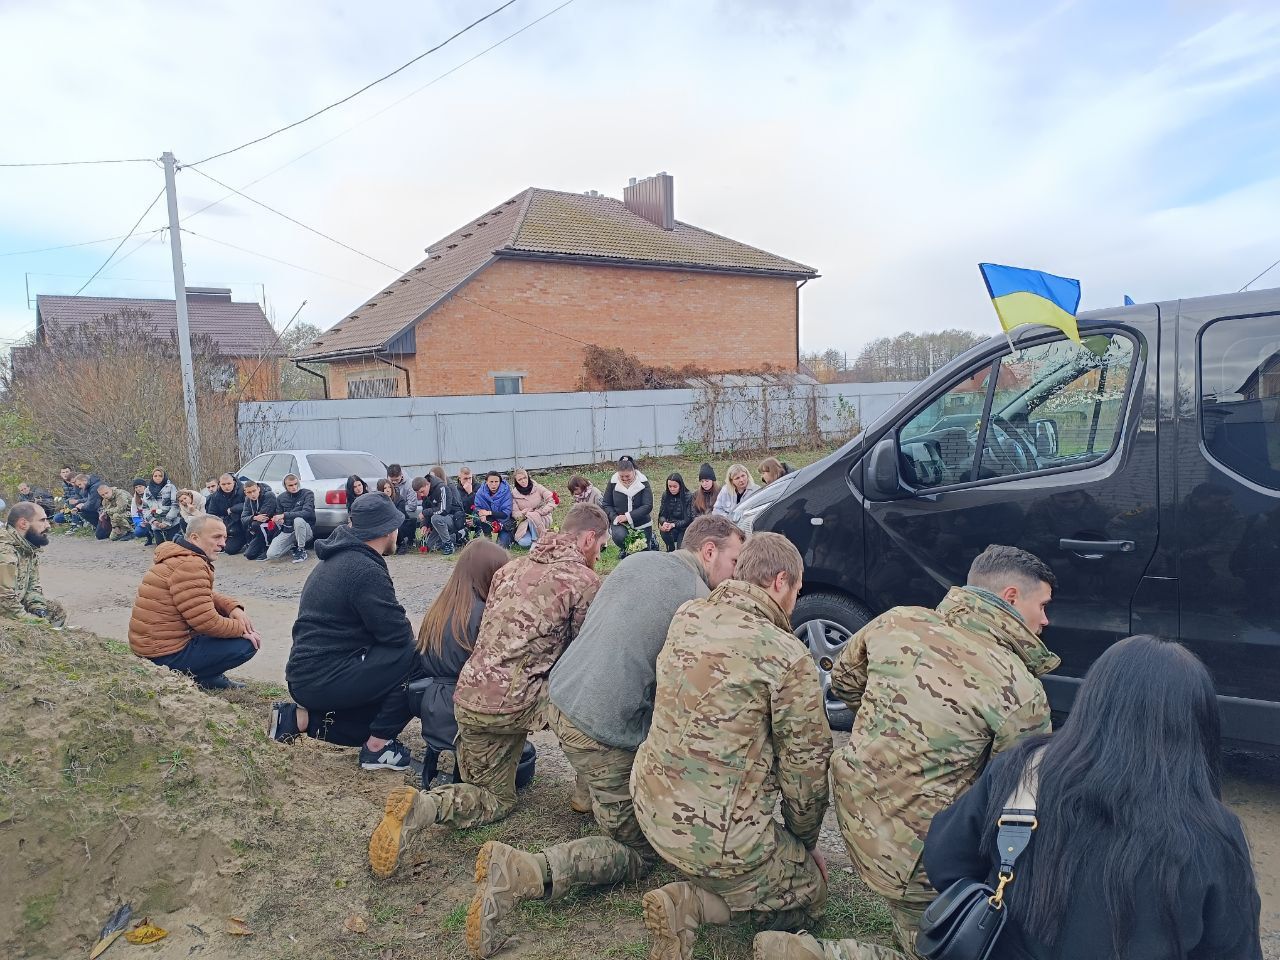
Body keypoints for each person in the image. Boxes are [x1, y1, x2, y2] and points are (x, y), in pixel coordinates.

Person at [760, 545, 1061, 960]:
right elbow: (1009, 804)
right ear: (1011, 597)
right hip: (916, 858)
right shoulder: (1020, 691)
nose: (1046, 619)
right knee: (944, 950)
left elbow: (844, 679)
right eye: (1042, 605)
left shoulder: (901, 620)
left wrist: (889, 728)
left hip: (853, 815)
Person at [464, 515, 746, 958]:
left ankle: (595, 795)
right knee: (636, 852)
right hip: (595, 729)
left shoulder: (637, 562)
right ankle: (523, 871)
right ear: (709, 552)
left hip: (558, 698)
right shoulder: (696, 601)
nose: (736, 572)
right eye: (734, 559)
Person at [889, 635, 1262, 960]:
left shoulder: (1022, 771)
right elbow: (1233, 949)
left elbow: (945, 861)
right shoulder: (1215, 835)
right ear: (1198, 724)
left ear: (1093, 700)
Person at [368, 503, 608, 878]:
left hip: (470, 698)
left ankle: (423, 808)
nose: (599, 554)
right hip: (522, 700)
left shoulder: (509, 570)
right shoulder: (583, 581)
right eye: (601, 546)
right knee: (588, 703)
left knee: (493, 797)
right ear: (590, 538)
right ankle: (589, 794)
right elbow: (583, 659)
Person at [632, 533, 830, 960]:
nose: (796, 600)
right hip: (712, 839)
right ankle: (694, 904)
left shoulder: (688, 614)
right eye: (797, 589)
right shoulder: (786, 654)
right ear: (780, 582)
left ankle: (702, 881)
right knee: (810, 892)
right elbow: (806, 770)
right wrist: (803, 843)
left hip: (649, 808)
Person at [271, 493, 422, 770]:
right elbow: (398, 636)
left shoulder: (339, 558)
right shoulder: (363, 569)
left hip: (309, 675)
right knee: (417, 657)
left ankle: (298, 720)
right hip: (324, 677)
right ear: (388, 530)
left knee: (371, 717)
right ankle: (378, 748)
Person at [414, 539, 511, 784]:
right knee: (523, 763)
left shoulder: (439, 608)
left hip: (433, 704)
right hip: (465, 709)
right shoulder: (483, 614)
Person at [127, 514, 260, 690]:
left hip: (151, 647)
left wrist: (233, 607)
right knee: (246, 644)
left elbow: (201, 595)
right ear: (194, 537)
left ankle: (207, 674)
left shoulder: (179, 556)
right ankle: (202, 677)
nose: (223, 544)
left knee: (222, 618)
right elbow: (207, 623)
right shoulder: (190, 565)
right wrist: (243, 629)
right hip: (163, 656)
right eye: (216, 537)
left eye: (225, 538)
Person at [0, 502, 66, 627]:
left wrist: (39, 609)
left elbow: (32, 586)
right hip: (5, 609)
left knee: (56, 613)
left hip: (12, 604)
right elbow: (4, 600)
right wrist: (36, 622)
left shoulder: (27, 547)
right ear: (23, 524)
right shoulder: (4, 551)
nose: (48, 526)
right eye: (42, 520)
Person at [602, 455, 656, 556]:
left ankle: (651, 539)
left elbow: (647, 506)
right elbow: (606, 503)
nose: (625, 479)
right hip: (621, 524)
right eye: (621, 476)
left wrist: (627, 516)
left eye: (628, 476)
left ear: (633, 471)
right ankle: (625, 550)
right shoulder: (613, 482)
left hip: (642, 523)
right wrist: (615, 517)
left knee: (643, 553)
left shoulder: (643, 482)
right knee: (620, 537)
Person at [265, 473, 314, 564]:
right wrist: (279, 520)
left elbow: (307, 513)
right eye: (290, 485)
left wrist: (285, 515)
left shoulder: (307, 493)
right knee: (271, 555)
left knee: (298, 520)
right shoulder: (280, 498)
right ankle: (293, 545)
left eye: (296, 484)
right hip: (288, 530)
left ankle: (301, 549)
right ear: (285, 486)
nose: (294, 487)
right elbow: (279, 515)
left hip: (305, 529)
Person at [421, 467, 466, 555]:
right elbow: (427, 507)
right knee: (430, 546)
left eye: (433, 477)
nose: (431, 479)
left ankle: (452, 540)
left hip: (450, 518)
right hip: (439, 518)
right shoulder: (430, 489)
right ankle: (447, 539)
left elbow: (447, 510)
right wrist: (425, 524)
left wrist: (431, 514)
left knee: (436, 519)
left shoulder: (447, 488)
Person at [511, 467, 556, 549]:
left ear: (528, 477)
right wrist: (523, 513)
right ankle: (539, 539)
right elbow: (514, 513)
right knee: (524, 542)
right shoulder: (514, 494)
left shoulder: (538, 487)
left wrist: (542, 511)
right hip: (526, 522)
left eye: (525, 477)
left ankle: (535, 542)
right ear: (516, 482)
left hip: (542, 518)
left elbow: (552, 499)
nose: (523, 481)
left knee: (533, 516)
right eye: (520, 479)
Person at [206, 475, 246, 555]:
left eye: (229, 483)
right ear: (219, 484)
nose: (226, 486)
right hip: (227, 525)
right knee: (228, 549)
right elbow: (212, 515)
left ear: (234, 482)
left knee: (230, 549)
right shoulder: (215, 496)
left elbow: (249, 505)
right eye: (223, 484)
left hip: (242, 524)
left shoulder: (243, 491)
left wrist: (233, 509)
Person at [474, 471, 515, 548]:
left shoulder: (506, 492)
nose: (494, 484)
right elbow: (477, 507)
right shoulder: (480, 492)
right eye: (491, 482)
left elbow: (506, 513)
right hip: (488, 523)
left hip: (503, 524)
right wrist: (480, 513)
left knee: (502, 546)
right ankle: (487, 538)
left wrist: (489, 512)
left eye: (496, 482)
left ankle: (510, 538)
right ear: (486, 482)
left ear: (500, 482)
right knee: (487, 547)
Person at [240, 480, 278, 561]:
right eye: (249, 492)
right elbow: (243, 519)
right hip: (260, 531)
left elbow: (265, 516)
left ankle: (267, 547)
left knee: (257, 524)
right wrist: (254, 517)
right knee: (249, 555)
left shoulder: (269, 495)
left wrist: (252, 518)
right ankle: (261, 547)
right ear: (245, 493)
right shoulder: (247, 499)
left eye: (254, 491)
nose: (252, 494)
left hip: (273, 526)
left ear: (258, 489)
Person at [386, 464, 419, 555]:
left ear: (401, 475)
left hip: (405, 511)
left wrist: (397, 508)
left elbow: (412, 506)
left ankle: (403, 542)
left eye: (396, 480)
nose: (394, 483)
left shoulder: (409, 484)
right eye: (392, 480)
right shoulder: (386, 484)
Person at [142, 467, 181, 545]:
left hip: (172, 523)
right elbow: (145, 508)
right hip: (157, 525)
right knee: (160, 546)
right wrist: (153, 521)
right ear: (152, 477)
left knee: (173, 545)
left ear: (164, 477)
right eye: (155, 476)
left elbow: (175, 506)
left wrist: (166, 522)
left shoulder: (170, 487)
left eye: (160, 476)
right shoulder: (147, 490)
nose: (157, 478)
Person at [657, 472, 694, 551]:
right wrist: (664, 523)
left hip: (684, 528)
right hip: (671, 525)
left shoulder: (688, 496)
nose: (672, 489)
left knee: (681, 549)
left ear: (680, 486)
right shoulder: (666, 495)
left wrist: (674, 524)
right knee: (664, 531)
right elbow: (662, 515)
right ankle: (670, 549)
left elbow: (688, 519)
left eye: (675, 486)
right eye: (670, 486)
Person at [455, 466, 479, 538]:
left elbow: (478, 504)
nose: (468, 481)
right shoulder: (456, 491)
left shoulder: (478, 487)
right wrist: (465, 520)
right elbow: (458, 508)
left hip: (477, 516)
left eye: (470, 478)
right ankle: (463, 538)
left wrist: (470, 492)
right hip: (463, 517)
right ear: (460, 479)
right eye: (465, 478)